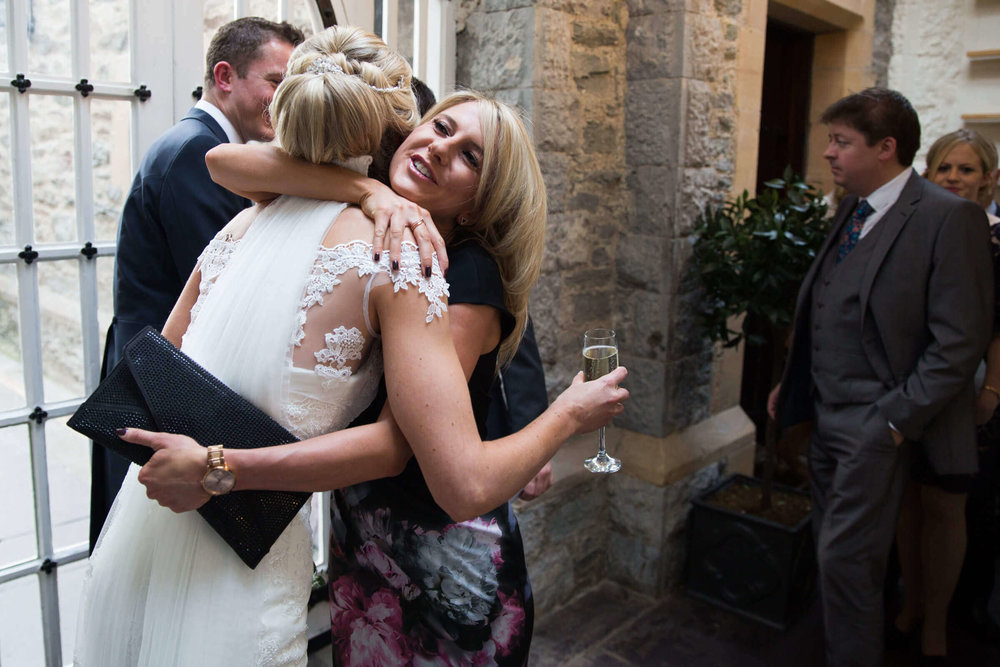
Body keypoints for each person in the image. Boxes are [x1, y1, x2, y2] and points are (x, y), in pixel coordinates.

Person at [78, 28, 628, 667]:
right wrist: (370, 191)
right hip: (355, 533)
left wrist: (564, 414)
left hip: (436, 552)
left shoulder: (438, 267)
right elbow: (223, 162)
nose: (440, 146)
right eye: (440, 126)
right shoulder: (347, 204)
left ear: (483, 202)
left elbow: (424, 457)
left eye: (471, 156)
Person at [769, 88, 993, 667]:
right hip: (824, 417)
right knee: (837, 559)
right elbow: (826, 306)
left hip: (877, 425)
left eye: (842, 142)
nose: (829, 154)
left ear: (887, 148)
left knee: (847, 562)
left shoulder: (950, 218)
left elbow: (959, 343)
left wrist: (892, 423)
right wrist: (793, 382)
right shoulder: (852, 207)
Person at [89, 16, 304, 550]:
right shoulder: (195, 151)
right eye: (277, 82)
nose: (286, 100)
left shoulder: (211, 148)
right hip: (162, 390)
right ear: (226, 76)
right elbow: (228, 298)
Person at [916, 129, 1000, 650]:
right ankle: (910, 605)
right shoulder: (923, 228)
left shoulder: (995, 238)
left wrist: (991, 389)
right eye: (944, 167)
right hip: (914, 387)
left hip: (970, 389)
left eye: (965, 169)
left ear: (988, 178)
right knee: (910, 502)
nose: (953, 177)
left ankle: (938, 623)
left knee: (951, 507)